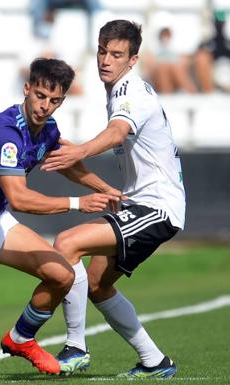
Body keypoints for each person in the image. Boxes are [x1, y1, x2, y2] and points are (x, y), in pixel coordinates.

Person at [0, 58, 121, 375]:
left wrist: (105, 188)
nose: (45, 106)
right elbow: (19, 198)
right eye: (40, 95)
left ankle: (21, 338)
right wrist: (77, 203)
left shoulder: (48, 130)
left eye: (54, 100)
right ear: (27, 89)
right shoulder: (5, 131)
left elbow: (64, 162)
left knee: (62, 276)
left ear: (62, 101)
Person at [41, 20, 185, 378]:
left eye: (117, 54)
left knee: (67, 243)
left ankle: (76, 348)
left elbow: (116, 133)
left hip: (158, 207)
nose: (106, 60)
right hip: (141, 203)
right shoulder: (117, 90)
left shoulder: (130, 92)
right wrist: (96, 177)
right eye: (102, 51)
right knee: (96, 285)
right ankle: (155, 362)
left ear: (132, 60)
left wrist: (80, 152)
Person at [194, 10, 230, 93]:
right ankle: (208, 92)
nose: (220, 25)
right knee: (202, 57)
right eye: (217, 23)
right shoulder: (206, 44)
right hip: (213, 77)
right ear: (213, 23)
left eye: (221, 23)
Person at [143, 27, 196, 94]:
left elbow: (187, 60)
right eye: (163, 36)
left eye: (167, 36)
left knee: (176, 69)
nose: (165, 38)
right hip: (159, 78)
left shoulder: (177, 51)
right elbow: (148, 69)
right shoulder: (153, 52)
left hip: (175, 75)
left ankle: (189, 92)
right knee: (163, 69)